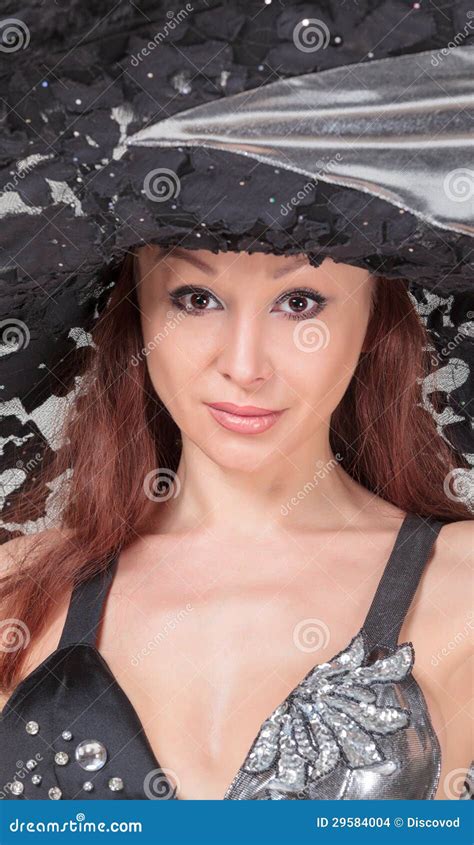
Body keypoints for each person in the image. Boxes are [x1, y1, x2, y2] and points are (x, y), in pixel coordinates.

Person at [0, 244, 471, 800]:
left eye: (298, 302)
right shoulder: (18, 588)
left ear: (375, 316)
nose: (244, 367)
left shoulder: (461, 585)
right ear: (138, 309)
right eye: (197, 299)